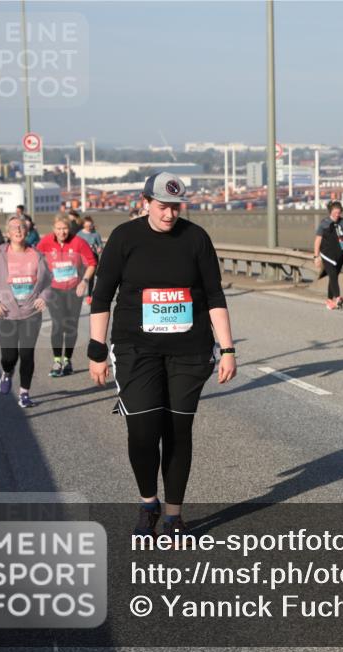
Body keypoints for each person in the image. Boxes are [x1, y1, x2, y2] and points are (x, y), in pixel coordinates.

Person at [87, 172, 237, 537]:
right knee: (143, 431)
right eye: (162, 206)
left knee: (177, 431)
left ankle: (173, 515)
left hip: (188, 351)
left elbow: (214, 296)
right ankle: (148, 503)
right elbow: (102, 296)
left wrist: (228, 349)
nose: (169, 214)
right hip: (136, 350)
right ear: (145, 202)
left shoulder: (196, 238)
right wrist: (96, 350)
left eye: (175, 207)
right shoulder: (125, 238)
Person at [0, 216, 51, 408]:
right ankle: (7, 372)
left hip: (30, 314)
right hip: (6, 314)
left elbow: (48, 282)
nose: (18, 230)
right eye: (13, 228)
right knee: (9, 357)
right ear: (8, 233)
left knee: (27, 354)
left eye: (21, 227)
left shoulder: (37, 256)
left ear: (27, 231)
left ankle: (24, 393)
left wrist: (44, 297)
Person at [37, 214, 97, 377]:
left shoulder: (78, 242)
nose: (62, 232)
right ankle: (57, 361)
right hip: (54, 290)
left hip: (74, 289)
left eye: (64, 228)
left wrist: (84, 281)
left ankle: (67, 360)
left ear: (69, 229)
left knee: (71, 326)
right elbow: (36, 260)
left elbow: (92, 263)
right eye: (58, 228)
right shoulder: (46, 242)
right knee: (58, 324)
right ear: (53, 229)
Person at [312, 201, 343, 310]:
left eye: (339, 213)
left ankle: (330, 301)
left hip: (340, 254)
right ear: (330, 212)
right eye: (335, 212)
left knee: (333, 277)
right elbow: (318, 240)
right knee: (333, 275)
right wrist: (316, 256)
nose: (337, 215)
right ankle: (338, 297)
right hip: (327, 254)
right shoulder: (324, 223)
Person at [77, 216, 104, 304]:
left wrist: (99, 248)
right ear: (83, 225)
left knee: (91, 278)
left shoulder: (96, 234)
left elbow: (100, 245)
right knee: (81, 276)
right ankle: (78, 293)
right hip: (82, 259)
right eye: (87, 226)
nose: (89, 227)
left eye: (90, 226)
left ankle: (89, 296)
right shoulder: (79, 234)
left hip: (93, 257)